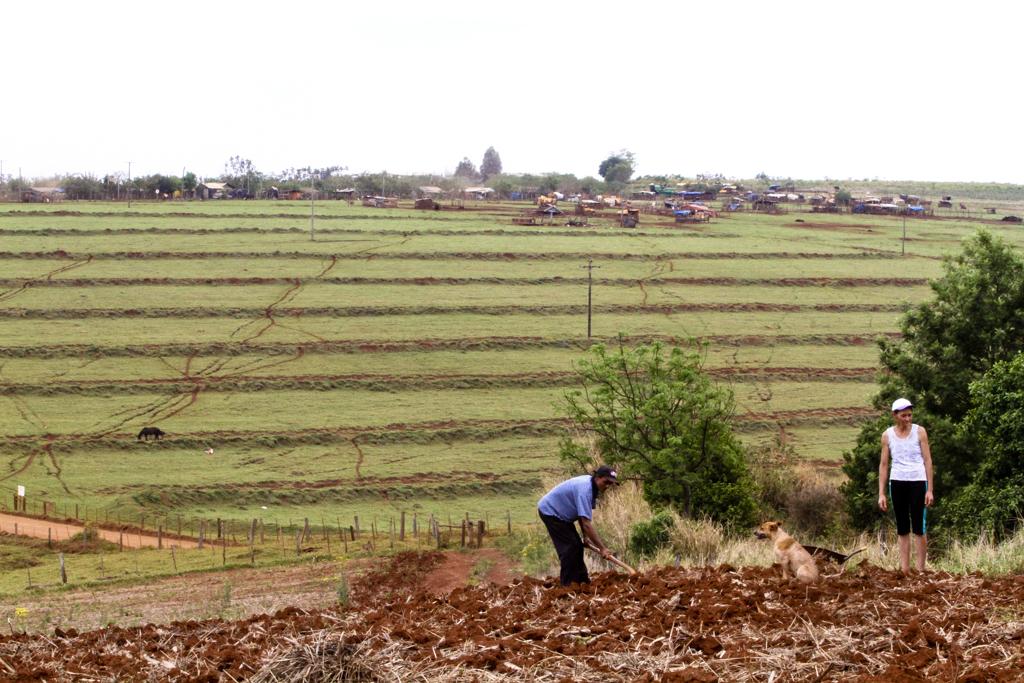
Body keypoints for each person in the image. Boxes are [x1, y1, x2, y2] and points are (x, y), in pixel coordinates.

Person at [878, 398, 934, 573]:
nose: (908, 418)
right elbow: (884, 464)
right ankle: (905, 570)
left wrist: (930, 489)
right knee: (902, 527)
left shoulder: (920, 432)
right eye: (904, 415)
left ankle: (920, 569)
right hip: (897, 482)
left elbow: (927, 460)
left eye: (910, 415)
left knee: (919, 526)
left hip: (918, 481)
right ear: (895, 415)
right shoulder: (887, 435)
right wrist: (881, 493)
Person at [537, 465, 619, 586]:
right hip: (550, 511)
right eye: (606, 482)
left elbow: (582, 516)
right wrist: (602, 548)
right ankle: (568, 585)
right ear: (598, 477)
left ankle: (582, 581)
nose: (607, 486)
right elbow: (586, 523)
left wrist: (585, 537)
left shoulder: (592, 487)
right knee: (569, 549)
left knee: (577, 546)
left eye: (610, 484)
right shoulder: (585, 490)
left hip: (562, 516)